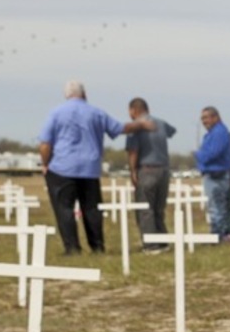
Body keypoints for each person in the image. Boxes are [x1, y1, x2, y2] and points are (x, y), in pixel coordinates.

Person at [38, 80, 152, 255]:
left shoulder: (56, 113)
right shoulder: (96, 113)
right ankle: (97, 246)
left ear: (66, 95)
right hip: (89, 169)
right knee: (91, 209)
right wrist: (142, 124)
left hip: (62, 168)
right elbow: (121, 128)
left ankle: (72, 248)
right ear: (84, 94)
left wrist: (45, 163)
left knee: (64, 209)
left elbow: (45, 144)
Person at [126, 97, 177, 253]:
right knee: (158, 208)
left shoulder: (136, 126)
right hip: (163, 170)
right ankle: (163, 242)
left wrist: (133, 171)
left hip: (146, 169)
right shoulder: (161, 123)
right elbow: (171, 131)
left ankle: (151, 245)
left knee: (145, 208)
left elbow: (133, 151)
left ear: (133, 110)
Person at [194, 106, 230, 244]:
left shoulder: (219, 132)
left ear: (216, 117)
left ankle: (217, 237)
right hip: (212, 174)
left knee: (216, 208)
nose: (204, 121)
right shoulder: (212, 133)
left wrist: (198, 154)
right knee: (217, 207)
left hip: (217, 175)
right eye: (202, 118)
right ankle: (221, 236)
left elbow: (214, 152)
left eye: (207, 117)